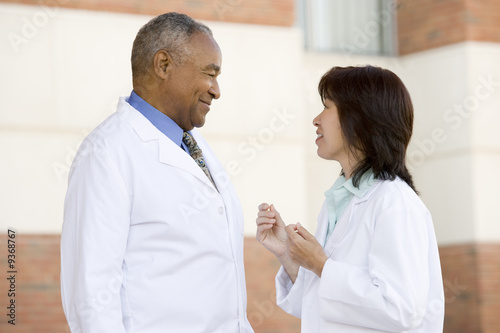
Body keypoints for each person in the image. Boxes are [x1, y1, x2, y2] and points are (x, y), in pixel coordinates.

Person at [61, 12, 254, 333]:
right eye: (210, 73)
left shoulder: (195, 146)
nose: (216, 90)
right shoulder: (107, 152)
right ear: (163, 65)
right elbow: (92, 295)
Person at [256, 66, 444, 332]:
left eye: (327, 107)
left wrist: (321, 264)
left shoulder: (394, 202)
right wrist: (290, 255)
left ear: (361, 119)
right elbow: (315, 306)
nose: (316, 120)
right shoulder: (340, 202)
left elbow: (401, 309)